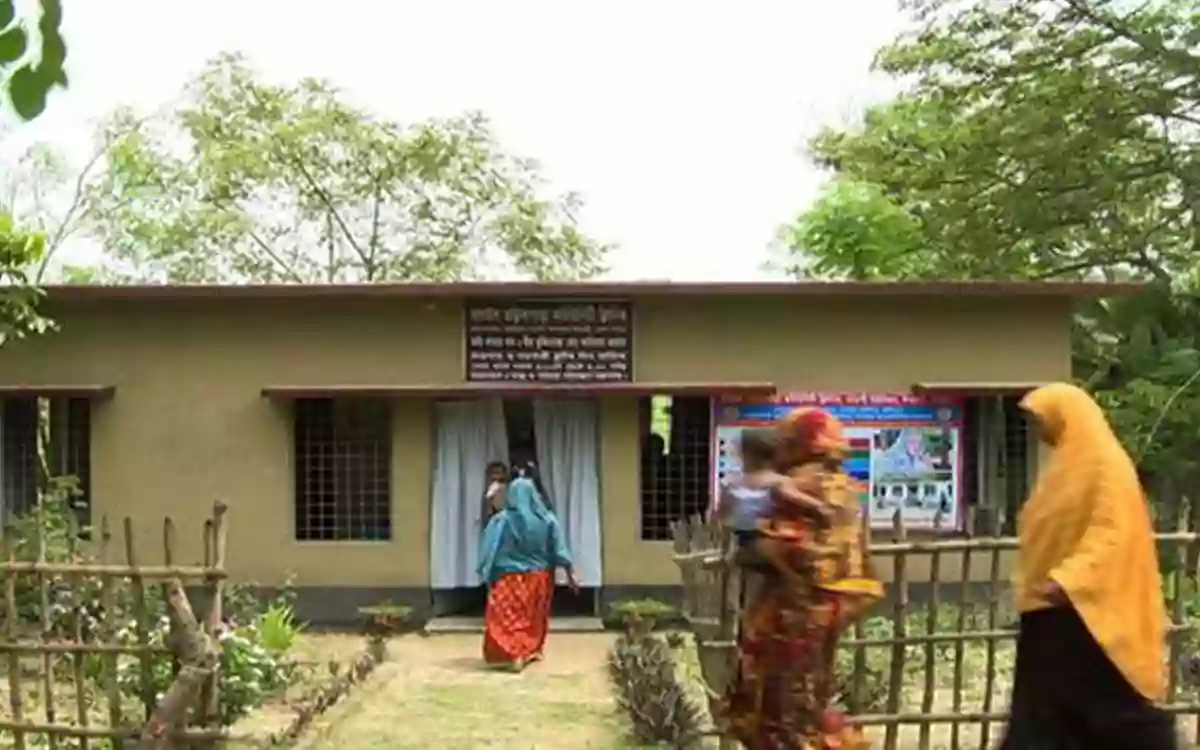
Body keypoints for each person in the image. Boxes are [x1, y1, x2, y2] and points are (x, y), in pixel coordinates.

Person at [1000, 382, 1177, 748]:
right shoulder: (1067, 465)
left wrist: (1069, 580)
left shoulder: (1104, 465)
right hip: (1051, 615)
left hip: (1092, 617)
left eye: (1041, 419)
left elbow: (1111, 534)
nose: (1038, 430)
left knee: (1114, 711)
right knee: (1043, 718)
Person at [722, 407, 883, 750]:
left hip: (792, 613)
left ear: (796, 442)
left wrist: (752, 550)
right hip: (835, 610)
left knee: (780, 705)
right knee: (811, 693)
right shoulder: (850, 488)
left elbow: (788, 548)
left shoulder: (799, 484)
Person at [477, 471, 579, 672]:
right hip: (539, 578)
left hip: (509, 578)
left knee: (507, 617)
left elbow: (490, 547)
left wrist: (486, 571)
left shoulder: (503, 520)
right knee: (532, 617)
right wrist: (570, 574)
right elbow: (559, 550)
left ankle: (515, 653)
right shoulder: (548, 520)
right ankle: (527, 651)